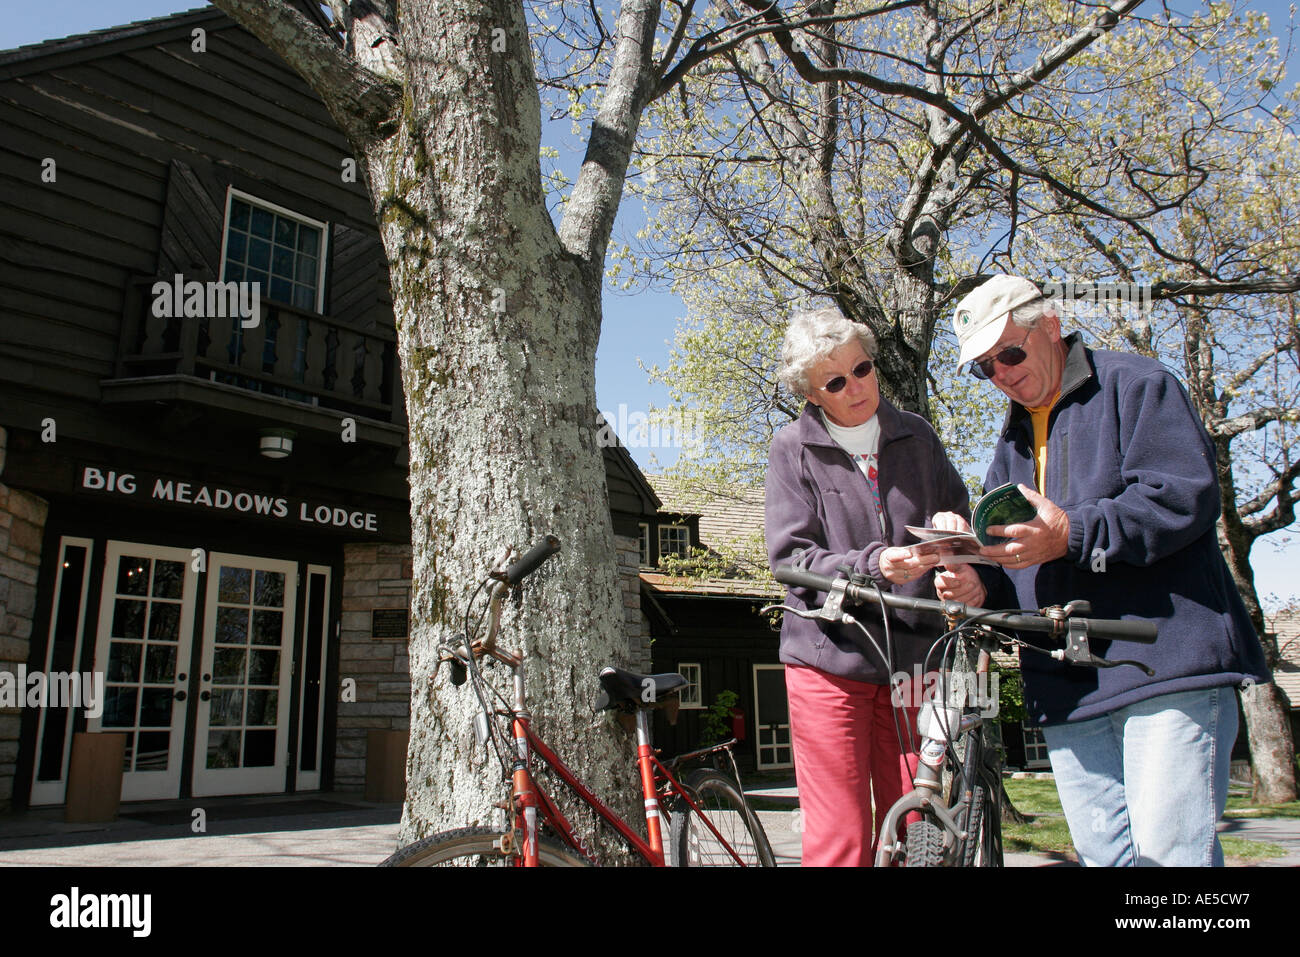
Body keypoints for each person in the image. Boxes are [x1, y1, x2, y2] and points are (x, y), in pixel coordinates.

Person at [936, 274, 1270, 866]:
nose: (1003, 375)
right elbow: (1016, 559)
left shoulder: (1138, 384)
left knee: (1171, 860)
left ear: (1052, 327)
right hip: (1069, 684)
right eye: (985, 368)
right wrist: (975, 579)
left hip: (1162, 664)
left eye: (1009, 353)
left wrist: (1072, 532)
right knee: (1105, 860)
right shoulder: (1011, 442)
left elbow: (1182, 498)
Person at [764, 307, 981, 866]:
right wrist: (874, 564)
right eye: (836, 381)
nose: (856, 387)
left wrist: (958, 544)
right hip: (827, 662)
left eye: (862, 369)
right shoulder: (792, 448)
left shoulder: (918, 435)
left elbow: (956, 518)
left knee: (918, 827)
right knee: (843, 839)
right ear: (812, 394)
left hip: (913, 660)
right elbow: (790, 559)